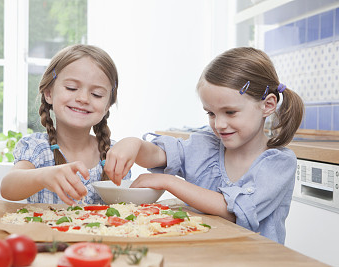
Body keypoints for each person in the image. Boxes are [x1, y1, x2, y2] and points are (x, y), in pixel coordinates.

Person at [103, 47, 304, 244]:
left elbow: (233, 211)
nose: (219, 124)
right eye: (211, 113)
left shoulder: (278, 163)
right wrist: (134, 144)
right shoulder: (207, 144)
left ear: (267, 105)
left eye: (230, 112)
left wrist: (169, 182)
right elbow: (159, 155)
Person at [1, 44, 130, 205]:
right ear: (48, 93)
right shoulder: (38, 148)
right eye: (71, 88)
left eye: (96, 94)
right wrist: (43, 176)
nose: (83, 98)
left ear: (107, 107)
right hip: (45, 231)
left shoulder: (114, 155)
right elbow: (8, 186)